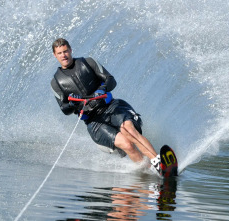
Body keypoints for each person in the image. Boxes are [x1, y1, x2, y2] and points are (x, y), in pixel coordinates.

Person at [50, 38, 161, 174]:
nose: (64, 55)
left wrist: (102, 88)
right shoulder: (56, 82)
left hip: (111, 107)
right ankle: (151, 171)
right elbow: (64, 108)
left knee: (129, 130)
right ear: (55, 55)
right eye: (60, 53)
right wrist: (73, 103)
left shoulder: (88, 62)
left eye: (65, 51)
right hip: (94, 122)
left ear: (71, 50)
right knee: (127, 144)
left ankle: (157, 162)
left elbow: (111, 80)